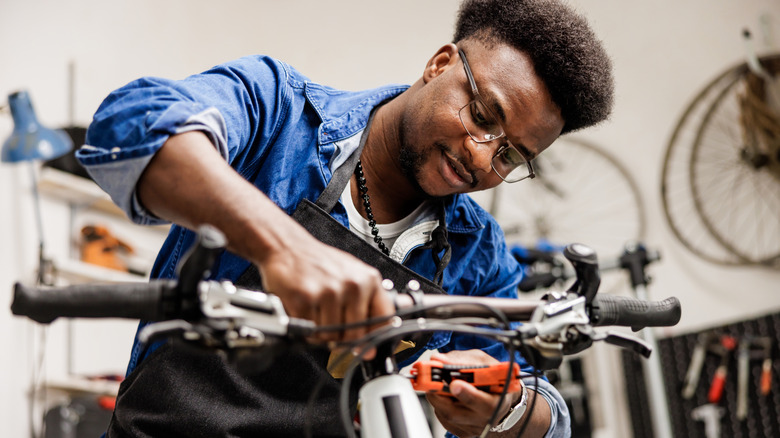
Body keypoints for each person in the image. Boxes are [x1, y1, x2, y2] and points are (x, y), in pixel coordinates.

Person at [77, 0, 613, 436]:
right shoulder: (278, 111)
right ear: (441, 64)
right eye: (481, 115)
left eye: (510, 156)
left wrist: (510, 406)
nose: (480, 155)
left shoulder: (478, 253)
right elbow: (129, 126)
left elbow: (545, 409)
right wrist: (284, 249)